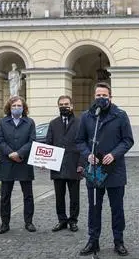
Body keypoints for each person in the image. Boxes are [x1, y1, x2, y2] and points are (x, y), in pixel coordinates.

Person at [76, 82, 134, 256]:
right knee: (94, 208)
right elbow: (80, 141)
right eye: (98, 95)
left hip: (114, 169)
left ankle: (119, 241)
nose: (101, 98)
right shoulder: (87, 116)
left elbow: (128, 140)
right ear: (94, 96)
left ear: (110, 97)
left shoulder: (120, 115)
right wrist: (87, 154)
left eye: (104, 95)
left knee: (117, 209)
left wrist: (114, 154)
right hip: (95, 170)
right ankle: (93, 241)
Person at [0, 96, 37, 234]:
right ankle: (5, 223)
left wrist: (19, 153)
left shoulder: (30, 122)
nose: (16, 108)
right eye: (14, 106)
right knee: (5, 195)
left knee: (28, 195)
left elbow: (32, 141)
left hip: (24, 162)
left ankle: (29, 222)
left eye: (19, 105)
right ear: (9, 107)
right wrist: (10, 153)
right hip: (7, 162)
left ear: (23, 107)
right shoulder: (2, 122)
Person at [45, 95, 83, 232]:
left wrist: (81, 163)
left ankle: (73, 220)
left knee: (74, 196)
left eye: (66, 104)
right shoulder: (53, 123)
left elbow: (83, 144)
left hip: (74, 165)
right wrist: (45, 161)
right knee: (59, 196)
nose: (64, 107)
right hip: (57, 165)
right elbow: (48, 143)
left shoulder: (79, 123)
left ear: (72, 106)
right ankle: (62, 220)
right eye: (61, 104)